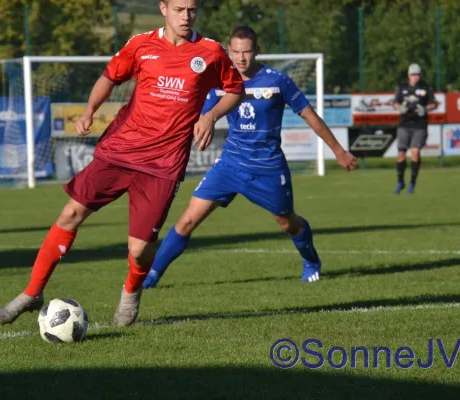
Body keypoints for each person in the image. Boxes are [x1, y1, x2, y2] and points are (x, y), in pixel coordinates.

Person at [0, 0, 245, 327]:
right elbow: (109, 77)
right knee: (70, 213)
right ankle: (32, 292)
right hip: (119, 151)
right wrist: (88, 110)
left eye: (192, 10)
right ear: (163, 9)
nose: (186, 16)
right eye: (180, 9)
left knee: (139, 250)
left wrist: (210, 115)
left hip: (163, 166)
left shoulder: (211, 52)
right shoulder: (140, 45)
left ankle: (131, 290)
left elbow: (235, 90)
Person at [142, 26, 357, 290]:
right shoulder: (218, 82)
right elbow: (197, 119)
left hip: (267, 167)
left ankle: (311, 262)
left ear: (257, 51)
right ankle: (151, 276)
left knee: (287, 222)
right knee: (187, 220)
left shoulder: (278, 81)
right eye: (236, 52)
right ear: (228, 51)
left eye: (247, 52)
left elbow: (310, 117)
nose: (241, 58)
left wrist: (338, 151)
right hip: (230, 165)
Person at [392, 63, 438, 194]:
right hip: (404, 124)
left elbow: (434, 103)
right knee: (401, 154)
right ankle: (400, 182)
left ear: (420, 75)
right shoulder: (402, 88)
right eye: (413, 74)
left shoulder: (425, 88)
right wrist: (399, 107)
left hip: (419, 125)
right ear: (408, 75)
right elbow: (395, 102)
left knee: (415, 152)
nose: (415, 77)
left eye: (417, 74)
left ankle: (412, 183)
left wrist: (426, 108)